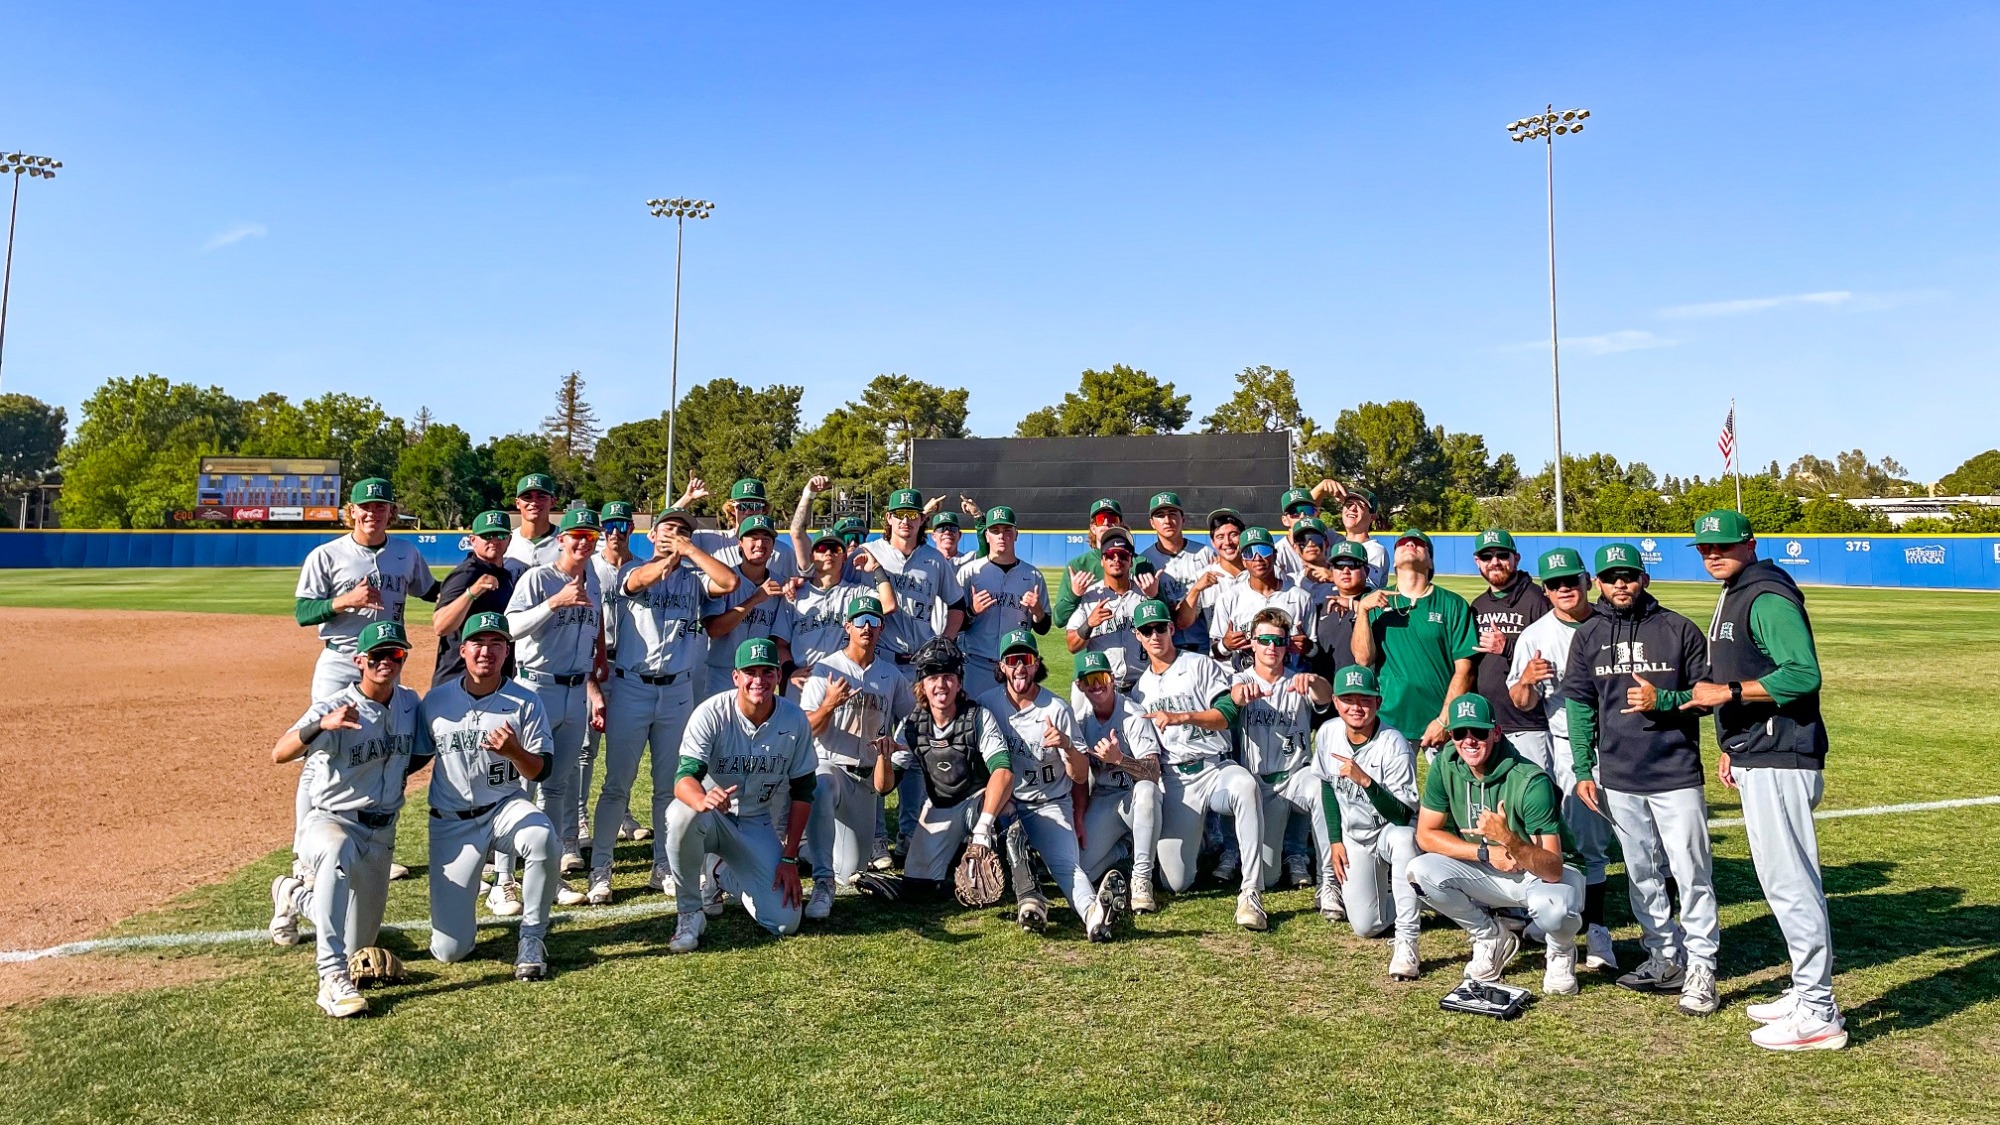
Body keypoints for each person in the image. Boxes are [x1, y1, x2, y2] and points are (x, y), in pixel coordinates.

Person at [1687, 508, 1845, 1051]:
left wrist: (1728, 695)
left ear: (1749, 544)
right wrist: (1732, 744)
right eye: (1705, 548)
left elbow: (1802, 673)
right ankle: (1805, 993)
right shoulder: (1737, 590)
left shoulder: (1766, 594)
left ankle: (1818, 1011)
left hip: (1782, 754)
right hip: (1759, 751)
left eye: (1723, 545)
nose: (1713, 554)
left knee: (1791, 883)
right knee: (1781, 882)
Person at [1561, 541, 1721, 1017]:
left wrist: (1664, 702)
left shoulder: (1678, 628)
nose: (1621, 583)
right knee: (1641, 872)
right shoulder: (1588, 635)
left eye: (1629, 575)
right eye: (1611, 577)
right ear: (1598, 583)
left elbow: (1708, 695)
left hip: (1675, 772)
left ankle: (1702, 965)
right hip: (1618, 776)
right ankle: (1664, 954)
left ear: (1644, 579)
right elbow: (1580, 706)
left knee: (1691, 871)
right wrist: (1584, 768)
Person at [267, 620, 421, 1018]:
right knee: (336, 852)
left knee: (358, 944)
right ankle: (331, 980)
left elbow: (419, 751)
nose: (387, 662)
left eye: (395, 654)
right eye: (377, 656)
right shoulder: (335, 706)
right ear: (359, 661)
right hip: (331, 821)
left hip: (381, 833)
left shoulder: (409, 703)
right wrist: (321, 725)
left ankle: (293, 895)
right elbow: (280, 753)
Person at [292, 476, 438, 881]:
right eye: (366, 507)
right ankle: (304, 854)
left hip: (386, 662)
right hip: (341, 661)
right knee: (320, 754)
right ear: (352, 511)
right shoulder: (326, 555)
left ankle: (372, 847)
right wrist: (345, 601)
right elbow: (303, 612)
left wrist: (475, 584)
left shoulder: (405, 553)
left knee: (381, 748)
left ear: (391, 511)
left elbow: (431, 591)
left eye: (381, 506)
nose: (373, 513)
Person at [590, 508, 737, 904]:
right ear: (652, 535)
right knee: (617, 785)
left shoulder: (694, 579)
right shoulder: (631, 569)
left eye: (684, 530)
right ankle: (601, 870)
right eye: (669, 528)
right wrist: (671, 557)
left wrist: (690, 551)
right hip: (632, 686)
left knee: (668, 787)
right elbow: (640, 581)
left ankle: (663, 867)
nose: (676, 534)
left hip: (677, 691)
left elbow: (729, 581)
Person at [412, 611, 560, 981]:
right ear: (462, 650)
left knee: (541, 837)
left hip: (503, 807)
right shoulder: (436, 701)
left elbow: (541, 770)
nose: (487, 651)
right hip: (452, 822)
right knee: (450, 951)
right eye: (478, 643)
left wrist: (514, 751)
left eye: (497, 644)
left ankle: (532, 938)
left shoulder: (526, 702)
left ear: (508, 651)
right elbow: (413, 757)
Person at [1409, 694, 1586, 996]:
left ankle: (1560, 951)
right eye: (1459, 732)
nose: (1469, 741)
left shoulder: (1530, 780)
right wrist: (1485, 851)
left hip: (1545, 874)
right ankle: (1490, 937)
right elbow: (1425, 835)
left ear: (1496, 733)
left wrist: (1508, 839)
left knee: (1554, 908)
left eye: (1478, 732)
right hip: (1490, 864)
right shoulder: (1445, 764)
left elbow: (1554, 868)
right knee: (1419, 871)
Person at [663, 638, 818, 954]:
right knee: (681, 814)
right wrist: (701, 800)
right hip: (711, 817)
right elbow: (683, 779)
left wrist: (789, 857)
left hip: (756, 820)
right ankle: (690, 913)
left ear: (779, 676)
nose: (758, 680)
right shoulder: (711, 713)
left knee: (785, 922)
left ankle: (720, 873)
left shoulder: (794, 719)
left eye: (767, 672)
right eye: (750, 672)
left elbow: (804, 791)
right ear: (736, 677)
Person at [1505, 547, 1617, 972]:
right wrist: (1527, 681)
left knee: (1643, 843)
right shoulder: (1535, 634)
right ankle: (1595, 929)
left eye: (1571, 580)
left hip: (1624, 742)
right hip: (1570, 745)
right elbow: (1520, 700)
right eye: (1555, 584)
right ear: (1546, 590)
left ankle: (1647, 931)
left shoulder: (1612, 623)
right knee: (1585, 841)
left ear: (1588, 581)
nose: (1565, 589)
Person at [1127, 599, 1267, 929]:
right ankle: (1203, 840)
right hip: (1176, 779)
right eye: (1147, 630)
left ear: (1171, 629)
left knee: (1245, 786)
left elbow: (1227, 714)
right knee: (1176, 882)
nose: (1155, 635)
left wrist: (1184, 716)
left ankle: (1251, 892)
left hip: (1214, 768)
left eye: (1160, 627)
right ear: (1138, 636)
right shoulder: (1139, 691)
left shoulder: (1200, 665)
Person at [977, 629, 1120, 941]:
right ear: (1001, 666)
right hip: (1006, 805)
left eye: (1026, 659)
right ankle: (1029, 898)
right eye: (1012, 660)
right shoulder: (987, 704)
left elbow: (1080, 775)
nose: (1019, 668)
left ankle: (1094, 915)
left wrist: (1066, 745)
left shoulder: (1055, 709)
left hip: (1050, 804)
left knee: (1067, 867)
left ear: (1036, 663)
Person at [501, 507, 608, 909]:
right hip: (536, 687)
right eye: (576, 535)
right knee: (521, 786)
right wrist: (554, 603)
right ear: (561, 539)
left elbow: (590, 642)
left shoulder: (593, 584)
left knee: (558, 787)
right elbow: (509, 629)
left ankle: (548, 872)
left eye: (590, 536)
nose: (583, 542)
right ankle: (503, 878)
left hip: (575, 691)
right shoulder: (538, 578)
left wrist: (593, 689)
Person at [875, 638, 1016, 899]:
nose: (941, 684)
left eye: (948, 677)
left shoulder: (978, 717)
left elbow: (1003, 772)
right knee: (918, 886)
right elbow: (884, 788)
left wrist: (984, 825)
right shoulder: (912, 725)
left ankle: (1018, 874)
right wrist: (883, 758)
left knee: (1007, 812)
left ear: (959, 682)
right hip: (941, 803)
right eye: (933, 677)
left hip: (979, 803)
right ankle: (955, 862)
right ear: (922, 684)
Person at [798, 595, 911, 920]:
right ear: (847, 626)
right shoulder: (826, 669)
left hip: (866, 781)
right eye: (860, 620)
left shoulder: (890, 675)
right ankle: (822, 882)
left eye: (874, 620)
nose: (867, 627)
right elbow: (807, 728)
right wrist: (829, 704)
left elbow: (912, 717)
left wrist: (896, 746)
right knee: (821, 784)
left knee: (851, 871)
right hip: (831, 766)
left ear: (882, 628)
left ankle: (810, 849)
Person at [1313, 665, 1421, 980]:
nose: (1356, 707)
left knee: (1403, 839)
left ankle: (1407, 940)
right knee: (1366, 926)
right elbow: (1327, 786)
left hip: (1389, 830)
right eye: (1348, 699)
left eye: (1365, 699)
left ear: (1378, 702)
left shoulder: (1394, 743)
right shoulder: (1328, 732)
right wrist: (1335, 840)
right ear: (1335, 702)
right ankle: (1423, 897)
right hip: (1354, 835)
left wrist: (1366, 781)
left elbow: (1403, 815)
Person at [1228, 607, 1335, 890]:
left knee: (1321, 788)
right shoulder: (1241, 679)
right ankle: (1287, 855)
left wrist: (1314, 681)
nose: (1271, 647)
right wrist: (1240, 697)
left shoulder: (1298, 679)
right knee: (1269, 876)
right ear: (1252, 643)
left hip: (1296, 775)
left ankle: (1327, 880)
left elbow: (1326, 696)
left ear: (1287, 644)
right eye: (1264, 640)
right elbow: (1234, 695)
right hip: (1261, 782)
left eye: (1278, 640)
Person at [1350, 529, 1476, 751]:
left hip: (1440, 720)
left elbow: (1465, 670)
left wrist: (1444, 719)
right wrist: (1362, 611)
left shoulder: (1452, 604)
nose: (1410, 545)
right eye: (1403, 543)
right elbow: (1363, 659)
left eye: (1418, 543)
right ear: (1394, 561)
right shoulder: (1375, 601)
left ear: (1430, 562)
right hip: (1389, 718)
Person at [1074, 650, 1166, 913]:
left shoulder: (1132, 715)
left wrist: (1119, 759)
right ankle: (1125, 850)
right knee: (1082, 869)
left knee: (1146, 790)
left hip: (1136, 798)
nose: (1096, 685)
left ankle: (1141, 879)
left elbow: (1153, 773)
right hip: (1105, 796)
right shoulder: (1082, 723)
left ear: (1112, 679)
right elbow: (1079, 779)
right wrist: (1078, 818)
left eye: (1102, 677)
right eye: (1089, 680)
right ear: (1080, 686)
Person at [702, 514, 801, 699]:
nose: (760, 544)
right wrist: (755, 599)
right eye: (753, 538)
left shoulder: (781, 584)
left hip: (759, 675)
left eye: (766, 539)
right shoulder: (724, 581)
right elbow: (714, 630)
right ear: (740, 543)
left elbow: (779, 640)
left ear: (773, 547)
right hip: (722, 673)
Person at [780, 529, 899, 678]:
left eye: (835, 549)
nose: (828, 553)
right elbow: (781, 644)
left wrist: (876, 568)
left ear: (844, 557)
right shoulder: (794, 594)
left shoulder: (856, 593)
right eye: (822, 548)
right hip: (803, 678)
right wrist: (791, 671)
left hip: (844, 679)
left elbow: (889, 605)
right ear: (811, 557)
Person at [956, 505, 1052, 688]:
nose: (1001, 535)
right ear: (986, 535)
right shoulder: (970, 572)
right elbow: (954, 624)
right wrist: (972, 611)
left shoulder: (1033, 575)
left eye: (1007, 530)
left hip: (1016, 666)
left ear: (1016, 534)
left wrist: (1038, 613)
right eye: (995, 530)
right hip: (976, 664)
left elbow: (1043, 628)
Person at [1194, 526, 1314, 673]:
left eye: (1264, 550)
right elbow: (1214, 652)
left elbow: (1316, 651)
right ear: (1243, 561)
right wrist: (1225, 645)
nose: (1257, 558)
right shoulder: (1228, 598)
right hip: (1244, 680)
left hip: (1290, 680)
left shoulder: (1301, 598)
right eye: (1249, 552)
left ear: (1275, 555)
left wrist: (1309, 648)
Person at [432, 509, 517, 686]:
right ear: (473, 540)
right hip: (458, 678)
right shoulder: (466, 573)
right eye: (487, 535)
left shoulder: (506, 576)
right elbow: (440, 626)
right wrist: (472, 592)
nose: (494, 540)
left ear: (509, 539)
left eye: (501, 535)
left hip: (494, 678)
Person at [1064, 526, 1154, 692]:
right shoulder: (1090, 596)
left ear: (1131, 561)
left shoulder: (1145, 593)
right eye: (1110, 555)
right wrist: (1089, 624)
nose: (1116, 559)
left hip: (1143, 685)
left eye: (1123, 555)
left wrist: (1154, 598)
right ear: (1102, 561)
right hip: (1103, 685)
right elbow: (1072, 645)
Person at [1139, 492, 1215, 655]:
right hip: (1166, 646)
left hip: (1203, 644)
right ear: (1152, 523)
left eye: (1172, 514)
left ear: (1183, 519)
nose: (1167, 520)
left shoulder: (1204, 553)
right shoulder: (1145, 561)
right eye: (1160, 515)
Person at [1308, 541, 1374, 683]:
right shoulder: (1321, 607)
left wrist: (1354, 606)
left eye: (1352, 565)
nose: (1345, 571)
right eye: (1339, 565)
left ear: (1366, 570)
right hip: (1328, 689)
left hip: (1363, 689)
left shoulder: (1376, 603)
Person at [1310, 479, 1389, 588]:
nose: (1352, 508)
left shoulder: (1375, 550)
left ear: (1373, 516)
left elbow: (1366, 589)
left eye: (1360, 505)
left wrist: (1332, 576)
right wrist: (1321, 488)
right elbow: (1304, 520)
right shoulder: (1335, 541)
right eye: (1348, 504)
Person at [503, 473, 561, 575]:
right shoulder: (504, 542)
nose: (534, 502)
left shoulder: (567, 541)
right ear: (517, 503)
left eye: (541, 497)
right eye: (527, 497)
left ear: (552, 502)